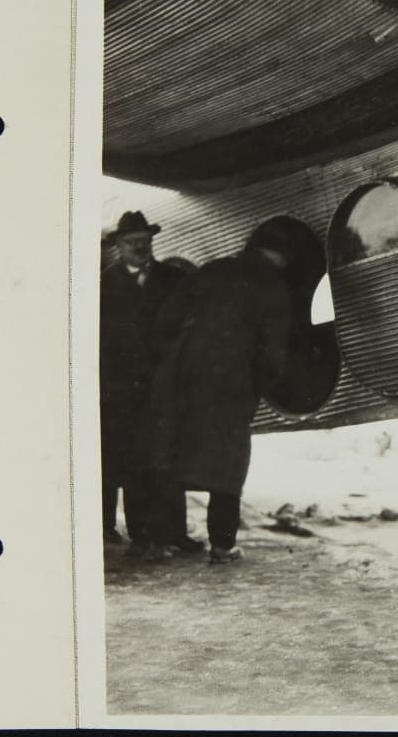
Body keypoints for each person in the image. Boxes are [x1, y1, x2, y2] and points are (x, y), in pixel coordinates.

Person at [143, 218, 294, 563]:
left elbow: (166, 319)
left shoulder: (214, 269)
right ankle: (222, 546)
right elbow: (273, 353)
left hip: (180, 376)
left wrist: (173, 361)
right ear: (283, 256)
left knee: (171, 455)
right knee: (226, 467)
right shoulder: (272, 285)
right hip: (230, 384)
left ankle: (163, 540)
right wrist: (260, 386)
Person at [99, 211, 194, 552]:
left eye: (144, 241)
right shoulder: (104, 285)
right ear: (118, 247)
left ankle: (176, 533)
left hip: (166, 387)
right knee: (134, 462)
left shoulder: (174, 279)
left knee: (171, 460)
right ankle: (141, 535)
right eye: (131, 242)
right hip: (122, 393)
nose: (139, 247)